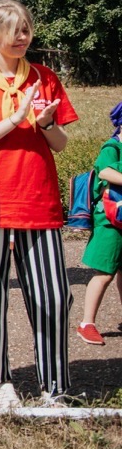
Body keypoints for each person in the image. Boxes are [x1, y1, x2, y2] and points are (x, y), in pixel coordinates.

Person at [0, 0, 77, 409]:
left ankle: (55, 384)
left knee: (53, 296)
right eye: (14, 30)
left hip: (37, 198)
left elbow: (61, 145)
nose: (23, 37)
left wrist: (45, 124)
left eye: (26, 29)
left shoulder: (44, 77)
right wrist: (14, 119)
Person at [78, 102, 122, 346]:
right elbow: (104, 171)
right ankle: (87, 323)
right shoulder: (112, 147)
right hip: (110, 220)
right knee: (104, 273)